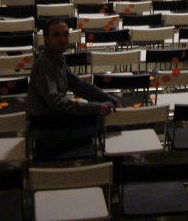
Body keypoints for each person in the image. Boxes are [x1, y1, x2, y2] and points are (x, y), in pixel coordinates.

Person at [27, 18, 122, 149]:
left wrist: (111, 99)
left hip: (57, 122)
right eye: (56, 35)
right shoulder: (43, 64)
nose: (62, 39)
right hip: (50, 131)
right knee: (111, 118)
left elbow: (80, 86)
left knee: (110, 109)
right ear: (46, 39)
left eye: (65, 34)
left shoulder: (57, 59)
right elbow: (56, 101)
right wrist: (96, 108)